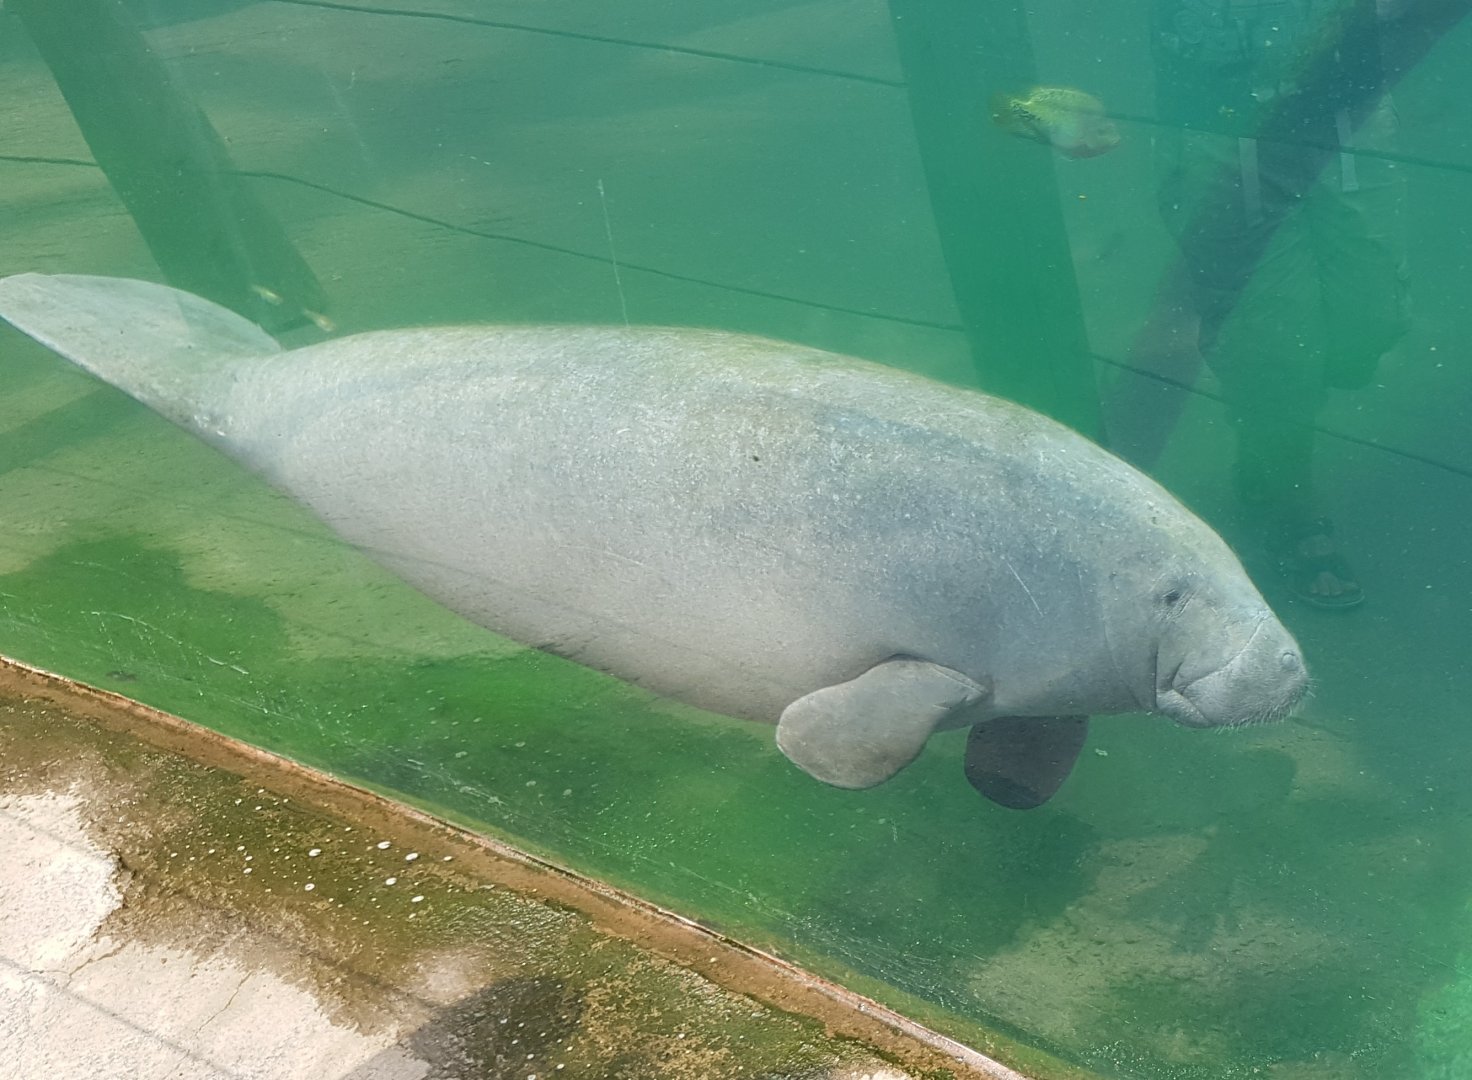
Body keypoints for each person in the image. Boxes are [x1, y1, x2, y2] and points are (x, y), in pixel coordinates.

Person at [1144, 0, 1412, 608]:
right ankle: (1285, 497)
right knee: (1274, 346)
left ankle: (1278, 421)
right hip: (1219, 118)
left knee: (1372, 317)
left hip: (1350, 105)